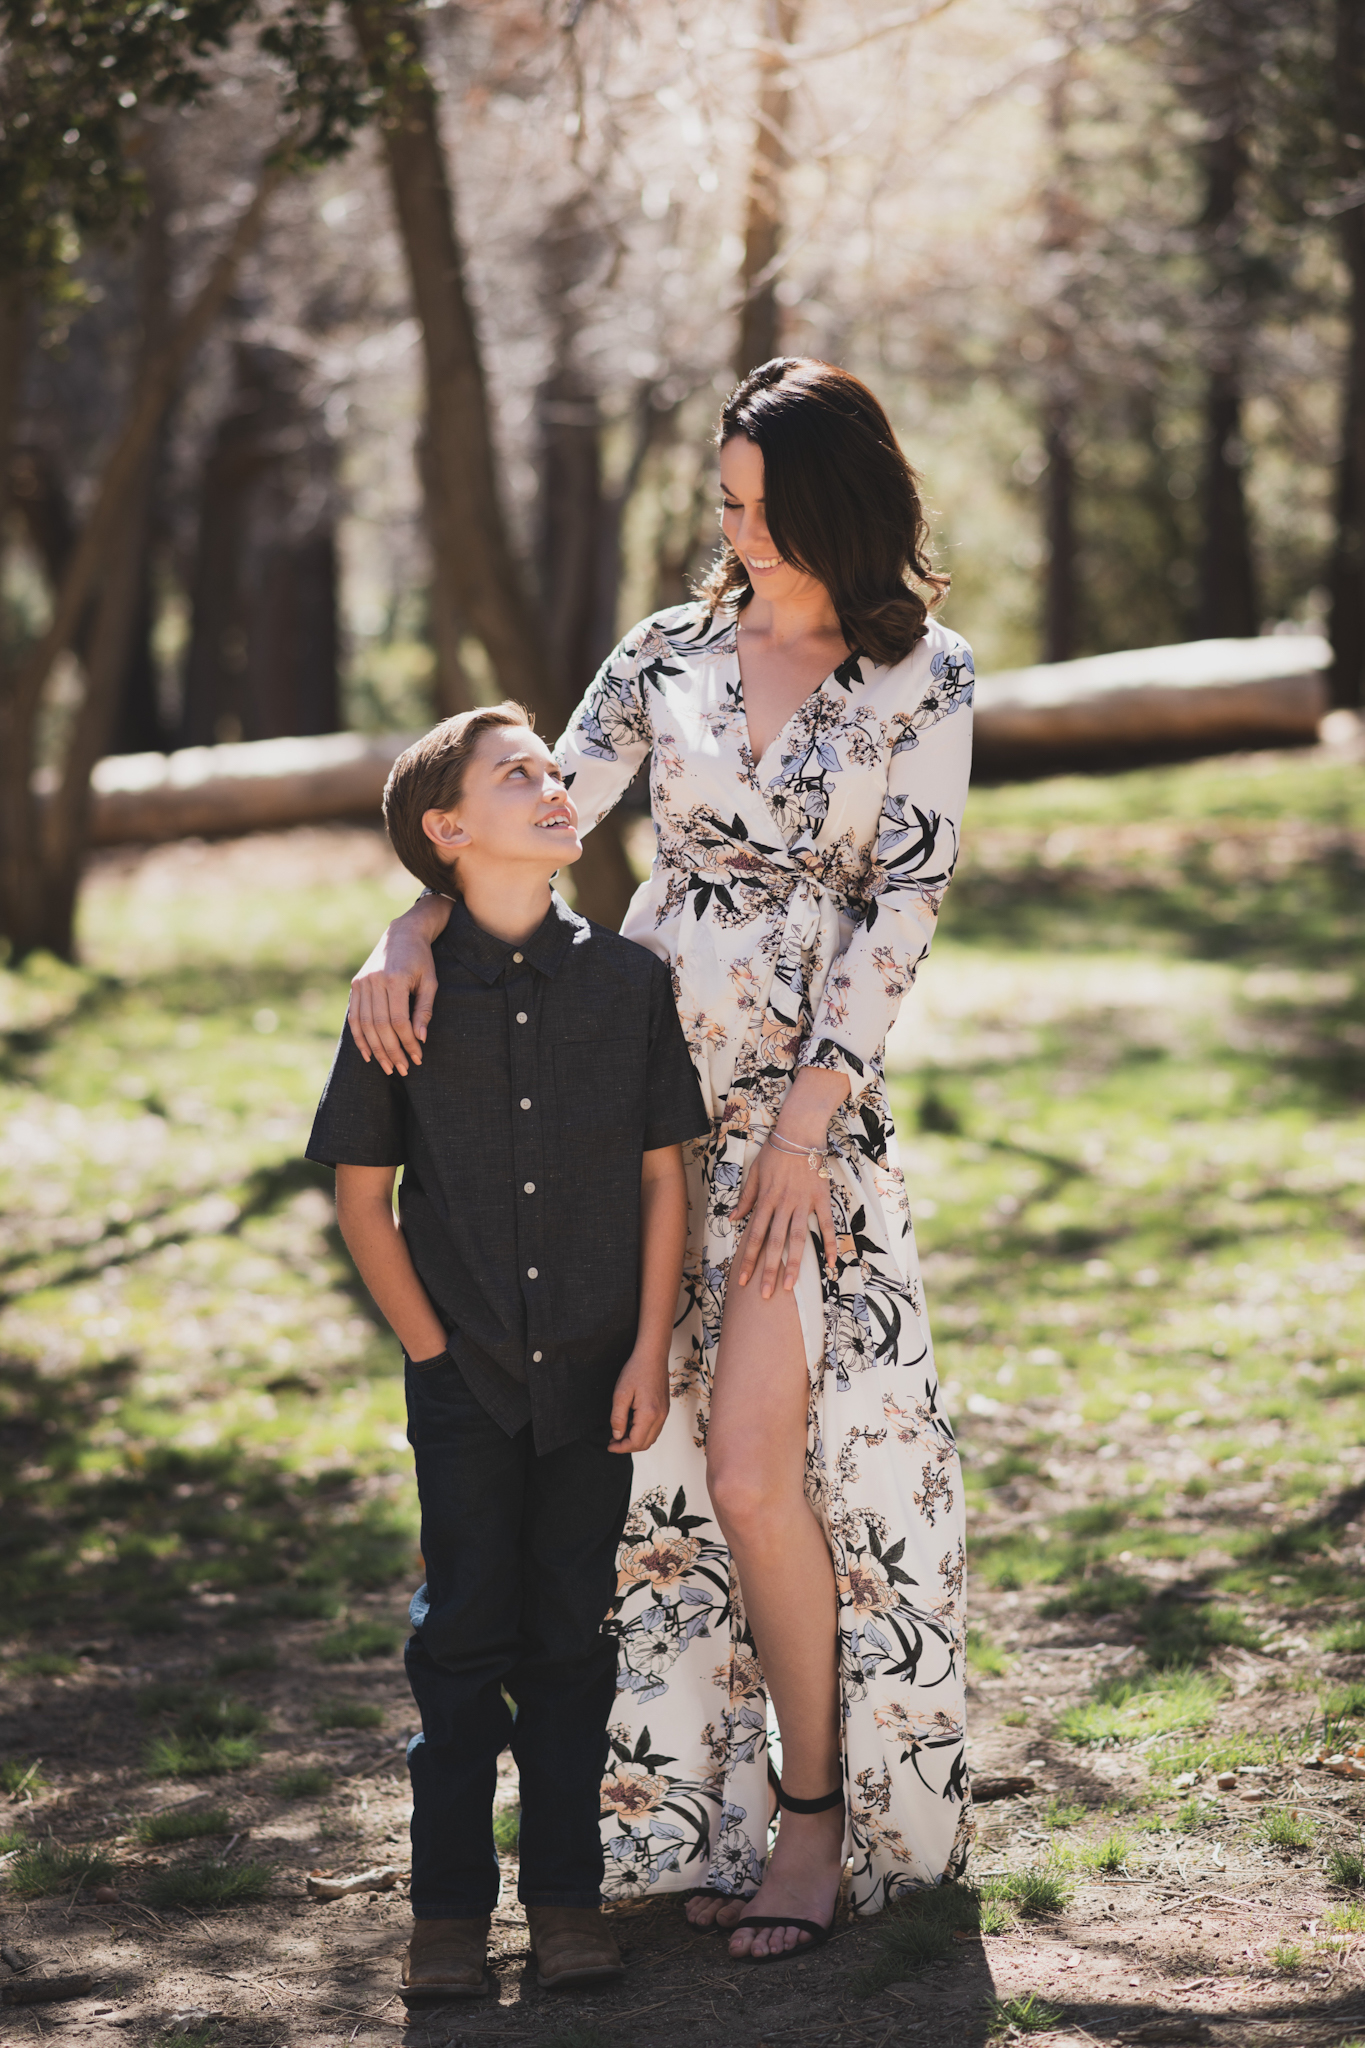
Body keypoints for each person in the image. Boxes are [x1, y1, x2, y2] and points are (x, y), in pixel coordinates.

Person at [347, 358, 975, 1962]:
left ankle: (816, 1816)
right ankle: (688, 1813)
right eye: (726, 503)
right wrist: (406, 924)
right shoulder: (669, 653)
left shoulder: (925, 678)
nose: (736, 530)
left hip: (797, 1122)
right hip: (619, 1093)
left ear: (837, 503)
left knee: (762, 1471)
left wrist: (802, 1133)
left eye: (760, 506)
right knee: (656, 1483)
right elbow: (532, 814)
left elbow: (898, 916)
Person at [305, 702, 710, 2002]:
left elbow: (665, 1182)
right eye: (516, 774)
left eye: (554, 768)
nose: (554, 786)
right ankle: (443, 1918)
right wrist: (430, 1352)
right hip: (465, 1376)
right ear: (447, 829)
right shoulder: (399, 997)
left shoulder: (627, 984)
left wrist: (650, 1345)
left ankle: (568, 1902)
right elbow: (362, 1198)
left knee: (572, 1649)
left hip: (601, 1368)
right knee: (460, 1647)